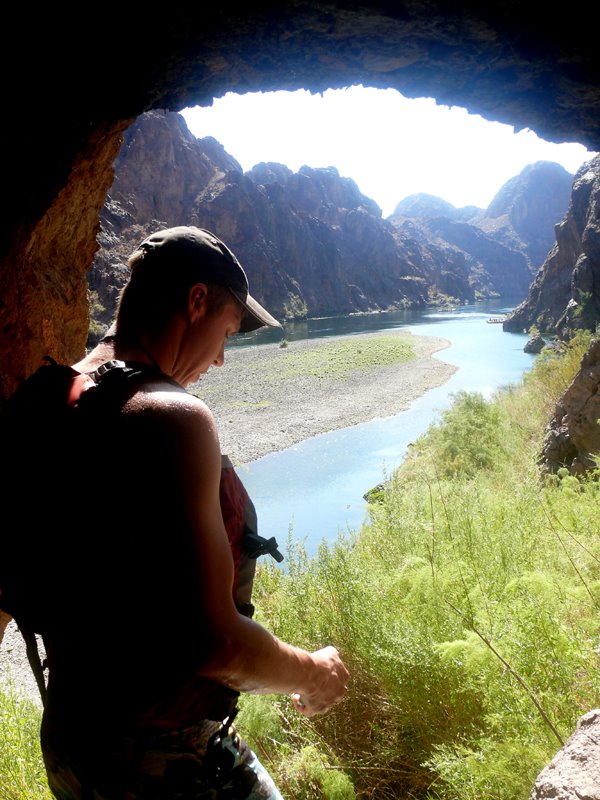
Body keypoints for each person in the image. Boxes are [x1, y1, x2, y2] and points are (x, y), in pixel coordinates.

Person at [38, 226, 349, 799]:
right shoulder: (171, 417)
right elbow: (217, 645)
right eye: (227, 332)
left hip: (72, 742)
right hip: (163, 758)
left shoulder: (49, 400)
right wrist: (314, 673)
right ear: (197, 301)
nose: (224, 358)